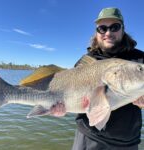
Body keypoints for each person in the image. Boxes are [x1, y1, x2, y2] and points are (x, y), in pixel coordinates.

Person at [51, 7, 144, 150]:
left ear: (123, 29)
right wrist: (60, 109)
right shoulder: (86, 61)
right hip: (88, 139)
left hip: (128, 143)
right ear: (97, 32)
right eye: (102, 28)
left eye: (114, 27)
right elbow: (70, 97)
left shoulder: (139, 59)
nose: (108, 33)